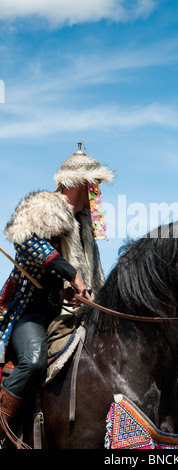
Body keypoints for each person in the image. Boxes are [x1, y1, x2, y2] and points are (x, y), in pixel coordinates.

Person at [0, 142, 114, 435]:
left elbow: (59, 277)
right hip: (27, 313)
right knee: (34, 361)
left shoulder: (81, 223)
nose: (97, 193)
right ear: (82, 183)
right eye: (95, 185)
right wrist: (73, 275)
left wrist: (68, 292)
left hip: (56, 310)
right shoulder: (44, 205)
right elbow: (26, 241)